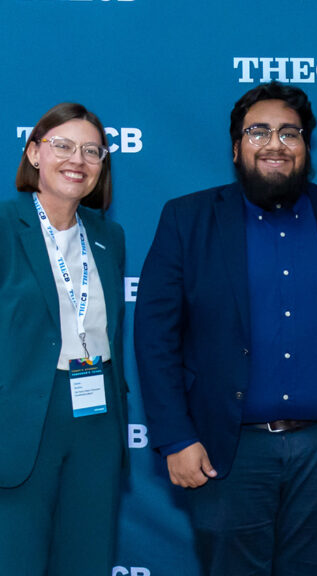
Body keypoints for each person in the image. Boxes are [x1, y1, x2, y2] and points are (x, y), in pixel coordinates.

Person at [134, 82, 317, 576]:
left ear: (307, 147)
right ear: (237, 146)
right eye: (259, 131)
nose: (275, 144)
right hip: (228, 449)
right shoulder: (188, 219)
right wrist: (175, 437)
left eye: (290, 133)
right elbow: (155, 338)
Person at [0, 102, 126, 575]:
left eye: (92, 151)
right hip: (21, 419)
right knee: (16, 560)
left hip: (96, 414)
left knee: (86, 559)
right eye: (63, 146)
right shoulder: (3, 227)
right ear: (34, 153)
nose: (78, 160)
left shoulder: (109, 236)